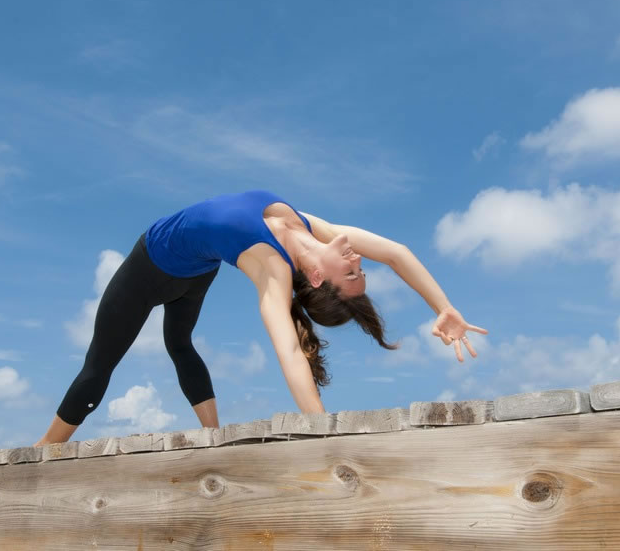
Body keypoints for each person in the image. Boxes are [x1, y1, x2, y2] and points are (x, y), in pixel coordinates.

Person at [34, 189, 487, 446]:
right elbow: (396, 252)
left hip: (151, 267)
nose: (356, 259)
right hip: (195, 269)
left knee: (113, 360)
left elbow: (289, 350)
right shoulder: (312, 228)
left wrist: (321, 428)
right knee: (173, 346)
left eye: (350, 272)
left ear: (314, 276)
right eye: (359, 270)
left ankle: (46, 450)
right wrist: (443, 307)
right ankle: (207, 435)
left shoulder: (271, 268)